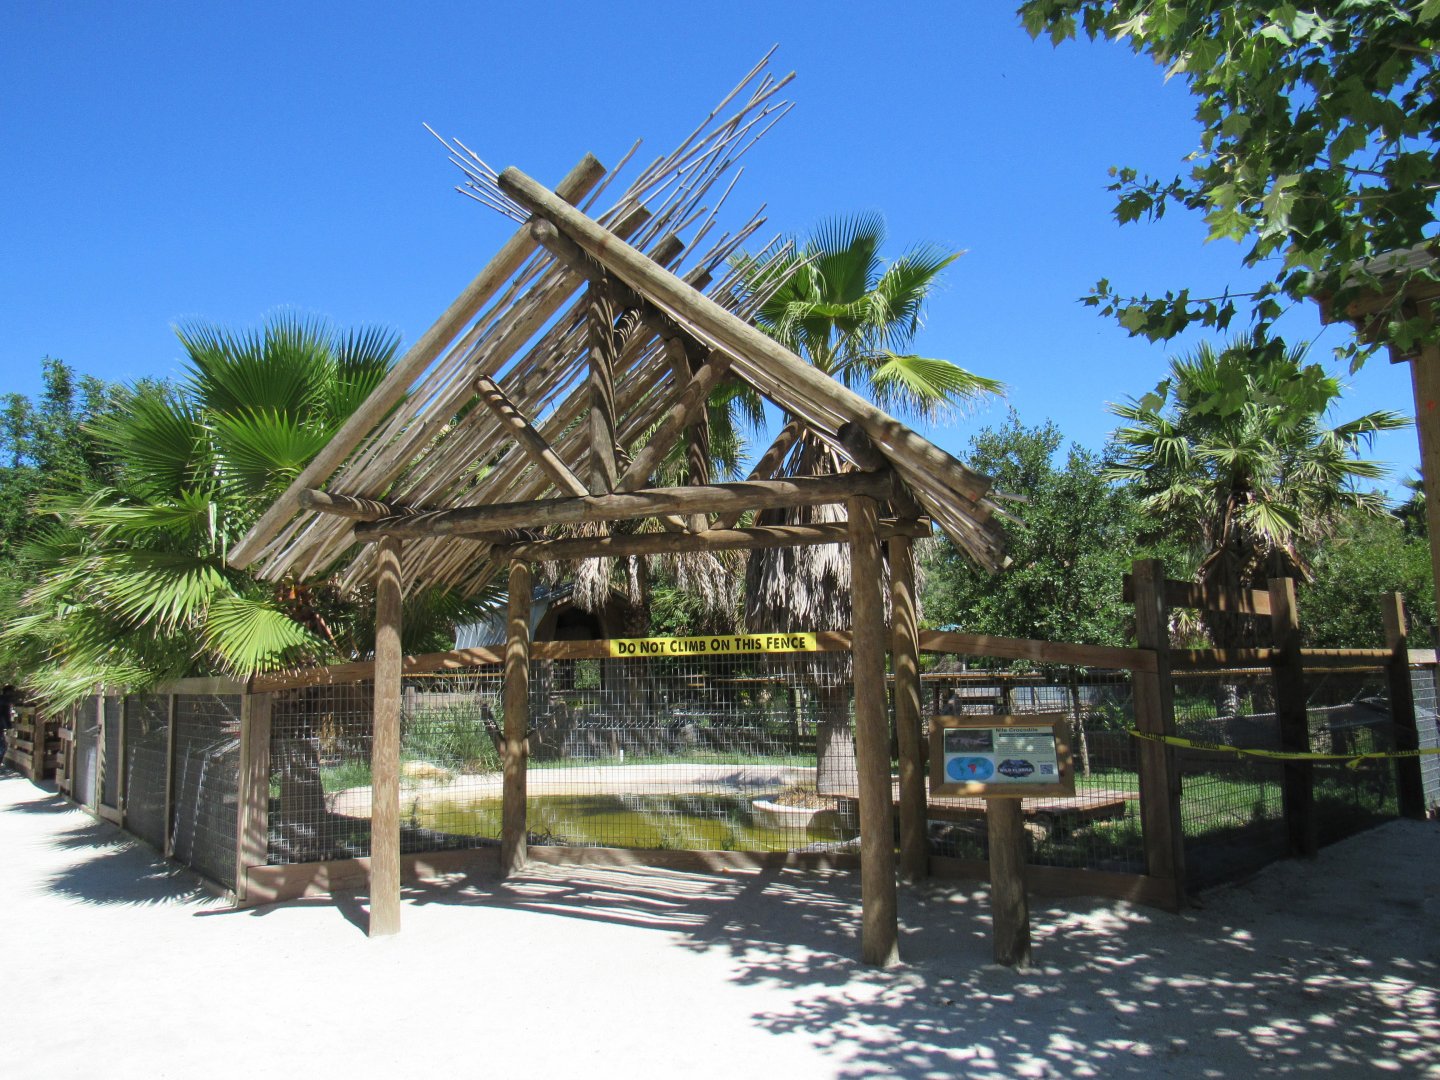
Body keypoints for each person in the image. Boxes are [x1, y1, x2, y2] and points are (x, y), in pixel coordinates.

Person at [0, 684, 14, 769]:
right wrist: (9, 725)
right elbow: (5, 715)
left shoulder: (3, 700)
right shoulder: (5, 701)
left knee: (3, 746)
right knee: (3, 746)